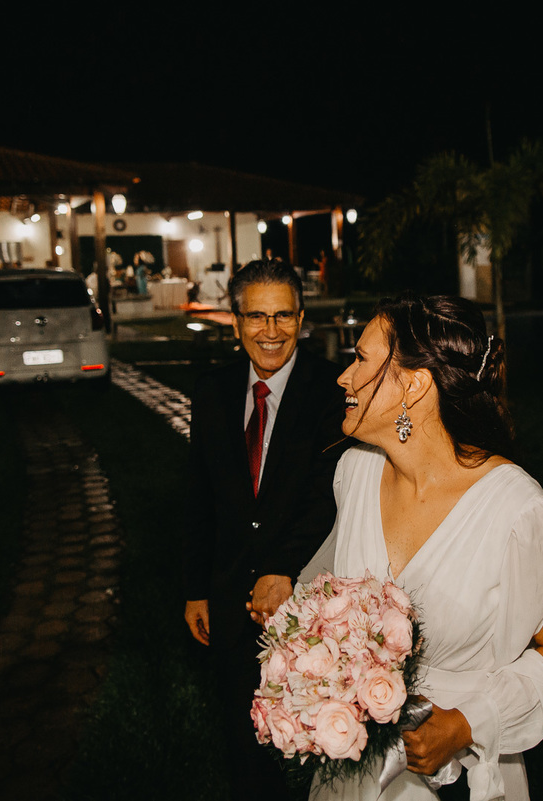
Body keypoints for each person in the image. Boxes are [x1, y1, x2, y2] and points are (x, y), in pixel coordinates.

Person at [302, 294, 543, 801]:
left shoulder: (518, 512)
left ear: (415, 384)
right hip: (356, 765)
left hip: (461, 776)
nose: (344, 376)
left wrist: (471, 722)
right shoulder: (355, 472)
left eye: (360, 359)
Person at [183, 259, 348, 801]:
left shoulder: (333, 390)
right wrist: (197, 589)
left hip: (305, 594)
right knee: (243, 739)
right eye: (257, 317)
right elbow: (199, 495)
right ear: (235, 322)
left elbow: (331, 491)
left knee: (315, 740)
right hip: (229, 598)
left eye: (283, 316)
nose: (271, 332)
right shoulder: (210, 392)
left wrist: (285, 567)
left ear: (302, 319)